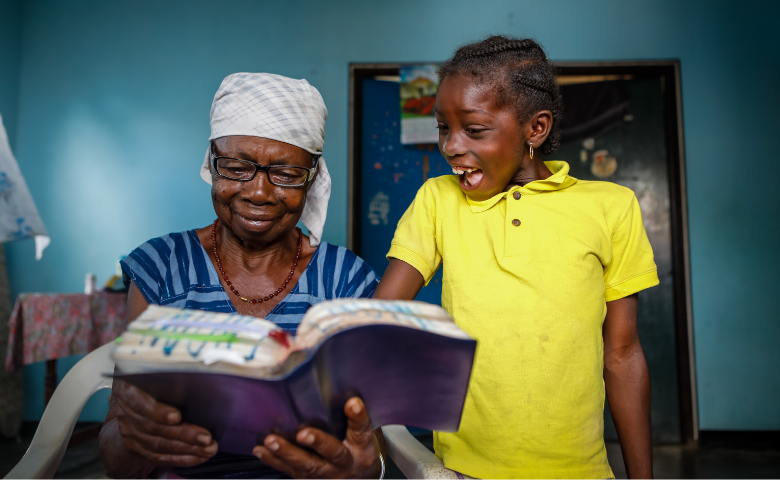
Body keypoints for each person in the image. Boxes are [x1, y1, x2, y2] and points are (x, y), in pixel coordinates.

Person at [370, 36, 658, 479]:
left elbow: (621, 354)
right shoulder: (438, 200)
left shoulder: (611, 206)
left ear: (535, 129)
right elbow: (382, 319)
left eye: (474, 129)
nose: (450, 146)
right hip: (464, 471)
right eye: (443, 127)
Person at [99, 73, 383, 479]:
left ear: (313, 176)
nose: (259, 193)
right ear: (211, 163)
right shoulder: (161, 267)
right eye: (235, 167)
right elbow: (116, 459)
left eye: (285, 174)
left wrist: (362, 470)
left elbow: (370, 440)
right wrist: (136, 436)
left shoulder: (345, 281)